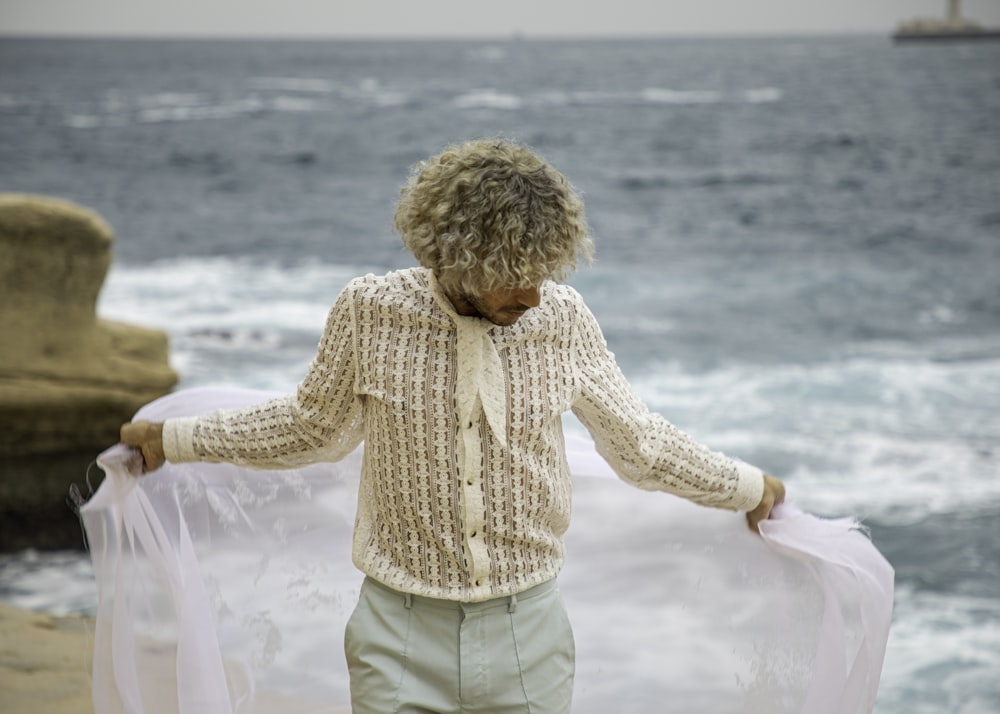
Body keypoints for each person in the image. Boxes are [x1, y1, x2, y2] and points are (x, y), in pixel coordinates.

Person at [121, 138, 785, 714]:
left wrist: (747, 486)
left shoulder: (561, 319)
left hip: (529, 632)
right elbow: (310, 428)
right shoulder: (368, 312)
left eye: (542, 275)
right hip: (397, 633)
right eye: (511, 278)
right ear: (453, 257)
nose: (531, 296)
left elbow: (639, 445)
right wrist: (177, 440)